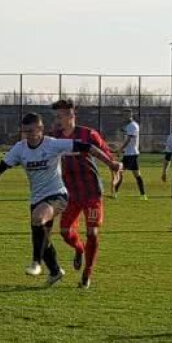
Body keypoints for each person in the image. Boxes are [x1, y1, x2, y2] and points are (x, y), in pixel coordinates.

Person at [0, 113, 121, 287]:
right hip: (37, 198)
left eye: (31, 131)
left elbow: (88, 147)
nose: (27, 135)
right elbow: (1, 167)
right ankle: (55, 271)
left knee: (38, 218)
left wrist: (110, 163)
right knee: (43, 236)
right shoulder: (20, 149)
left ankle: (36, 263)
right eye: (24, 131)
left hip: (58, 195)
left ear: (41, 129)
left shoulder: (52, 144)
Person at [52, 99, 116, 289]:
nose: (58, 119)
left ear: (71, 115)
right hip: (69, 193)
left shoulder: (88, 134)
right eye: (56, 116)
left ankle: (87, 275)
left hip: (91, 193)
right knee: (64, 232)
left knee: (92, 233)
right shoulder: (55, 137)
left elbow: (107, 155)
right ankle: (79, 249)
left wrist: (115, 170)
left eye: (61, 115)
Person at [113, 110, 146, 199]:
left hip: (130, 154)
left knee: (120, 172)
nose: (125, 117)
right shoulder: (129, 126)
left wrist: (120, 150)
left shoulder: (132, 126)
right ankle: (143, 195)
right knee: (137, 175)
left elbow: (128, 140)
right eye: (124, 115)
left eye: (127, 115)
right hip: (131, 153)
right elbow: (125, 132)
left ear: (131, 115)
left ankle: (115, 193)